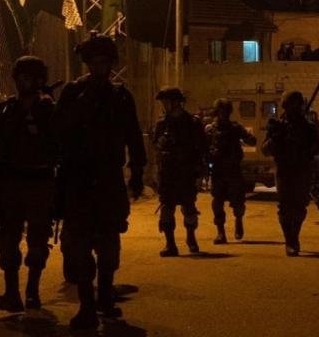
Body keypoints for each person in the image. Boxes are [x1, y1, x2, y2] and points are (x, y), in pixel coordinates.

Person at [55, 32, 146, 329]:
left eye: (104, 63)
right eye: (94, 63)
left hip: (108, 180)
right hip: (78, 180)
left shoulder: (120, 96)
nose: (99, 68)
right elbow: (58, 133)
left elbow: (133, 136)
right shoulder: (73, 93)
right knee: (80, 247)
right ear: (88, 64)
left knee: (109, 247)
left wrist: (137, 173)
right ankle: (87, 306)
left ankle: (105, 297)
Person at [0, 56, 57, 313]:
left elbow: (60, 147)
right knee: (8, 239)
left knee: (38, 240)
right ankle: (13, 293)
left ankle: (32, 292)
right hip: (11, 183)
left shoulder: (48, 110)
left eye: (29, 78)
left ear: (39, 80)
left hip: (39, 182)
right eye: (21, 78)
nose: (23, 83)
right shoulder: (6, 110)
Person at [262, 91, 319, 256]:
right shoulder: (277, 125)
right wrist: (275, 138)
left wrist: (310, 148)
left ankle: (294, 236)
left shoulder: (308, 127)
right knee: (285, 206)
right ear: (285, 106)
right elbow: (265, 150)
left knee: (300, 206)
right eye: (291, 105)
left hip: (302, 170)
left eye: (297, 105)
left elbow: (317, 148)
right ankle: (289, 240)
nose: (294, 108)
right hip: (284, 170)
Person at [153, 87, 206, 257]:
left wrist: (200, 173)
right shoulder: (162, 124)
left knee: (189, 207)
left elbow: (201, 149)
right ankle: (170, 244)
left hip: (186, 173)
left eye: (166, 102)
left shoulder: (192, 123)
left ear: (176, 103)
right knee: (166, 208)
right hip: (168, 173)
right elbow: (156, 147)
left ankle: (191, 237)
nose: (164, 105)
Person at [205, 99, 257, 244]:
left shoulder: (235, 128)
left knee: (238, 202)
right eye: (221, 111)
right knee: (217, 202)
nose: (224, 114)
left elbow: (252, 141)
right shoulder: (210, 129)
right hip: (218, 171)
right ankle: (220, 232)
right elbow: (203, 148)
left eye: (226, 111)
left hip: (233, 170)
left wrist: (247, 136)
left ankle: (238, 220)